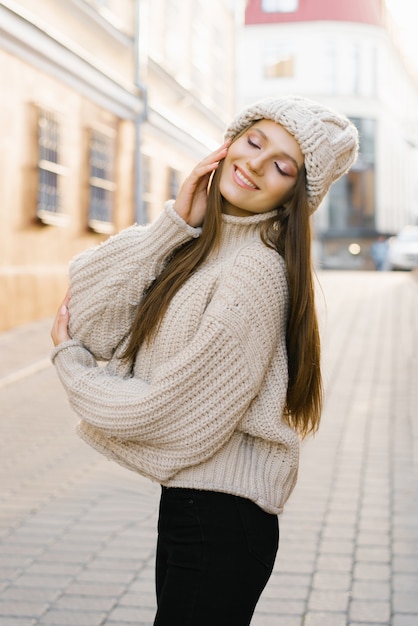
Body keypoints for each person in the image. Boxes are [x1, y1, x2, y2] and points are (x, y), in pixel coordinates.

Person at [51, 95, 358, 625]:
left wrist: (72, 370)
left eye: (282, 165)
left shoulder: (254, 273)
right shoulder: (201, 247)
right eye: (254, 141)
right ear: (229, 142)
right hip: (193, 510)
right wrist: (173, 222)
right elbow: (92, 318)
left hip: (220, 524)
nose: (256, 164)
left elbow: (173, 416)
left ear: (293, 196)